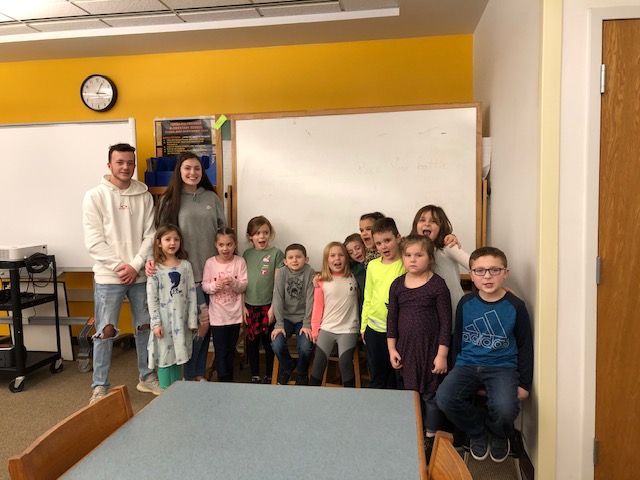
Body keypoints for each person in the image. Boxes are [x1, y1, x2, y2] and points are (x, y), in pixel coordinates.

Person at [436, 247, 533, 464]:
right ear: (471, 275)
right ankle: (478, 431)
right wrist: (454, 371)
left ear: (505, 273)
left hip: (502, 367)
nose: (487, 276)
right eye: (479, 271)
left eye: (493, 270)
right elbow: (458, 339)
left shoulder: (515, 306)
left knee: (506, 409)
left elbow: (525, 345)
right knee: (444, 398)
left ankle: (499, 435)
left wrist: (524, 384)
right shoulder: (465, 303)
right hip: (467, 365)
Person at [82, 143, 160, 403]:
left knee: (145, 327)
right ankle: (100, 385)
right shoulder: (94, 196)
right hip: (108, 278)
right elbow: (94, 242)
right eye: (120, 162)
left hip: (139, 276)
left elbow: (150, 236)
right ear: (109, 165)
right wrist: (120, 267)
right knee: (104, 332)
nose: (126, 167)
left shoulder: (144, 196)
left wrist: (135, 265)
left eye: (130, 162)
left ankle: (147, 377)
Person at [152, 151, 226, 382]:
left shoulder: (211, 198)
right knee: (192, 327)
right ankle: (189, 374)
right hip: (184, 276)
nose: (192, 173)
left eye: (197, 168)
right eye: (187, 168)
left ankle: (196, 373)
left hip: (213, 275)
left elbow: (223, 230)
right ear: (179, 171)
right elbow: (161, 236)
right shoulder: (169, 199)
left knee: (206, 327)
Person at [387, 235, 452, 454]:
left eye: (419, 255)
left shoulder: (437, 284)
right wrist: (392, 349)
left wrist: (441, 354)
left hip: (431, 349)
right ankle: (413, 431)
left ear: (430, 258)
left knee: (431, 395)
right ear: (402, 258)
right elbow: (392, 319)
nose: (412, 259)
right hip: (406, 350)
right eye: (408, 255)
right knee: (409, 393)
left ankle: (430, 437)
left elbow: (446, 322)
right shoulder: (397, 285)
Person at [147, 225, 198, 390]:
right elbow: (152, 298)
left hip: (181, 321)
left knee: (178, 356)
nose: (172, 243)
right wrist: (155, 323)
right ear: (159, 243)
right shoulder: (156, 268)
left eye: (176, 239)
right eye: (167, 239)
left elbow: (191, 294)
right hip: (164, 321)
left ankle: (176, 391)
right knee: (164, 357)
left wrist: (192, 320)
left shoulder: (186, 266)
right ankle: (163, 392)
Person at [360, 217, 405, 389]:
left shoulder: (406, 264)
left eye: (387, 240)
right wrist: (364, 327)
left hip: (398, 332)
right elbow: (368, 297)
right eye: (378, 243)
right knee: (377, 377)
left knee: (398, 377)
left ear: (398, 238)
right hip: (374, 331)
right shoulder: (372, 265)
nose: (383, 247)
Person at [309, 242, 360, 387]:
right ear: (327, 260)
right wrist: (315, 329)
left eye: (341, 255)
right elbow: (317, 307)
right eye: (332, 255)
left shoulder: (354, 276)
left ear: (346, 258)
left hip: (348, 330)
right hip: (327, 328)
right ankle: (312, 395)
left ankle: (349, 399)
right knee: (319, 361)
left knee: (345, 362)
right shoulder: (321, 281)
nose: (337, 258)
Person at [411, 205, 469, 331]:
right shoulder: (411, 252)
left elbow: (474, 265)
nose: (427, 224)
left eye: (433, 221)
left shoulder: (447, 247)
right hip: (427, 316)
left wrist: (497, 286)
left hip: (453, 313)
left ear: (441, 227)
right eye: (422, 220)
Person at [201, 227, 248, 382]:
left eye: (229, 244)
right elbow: (205, 286)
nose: (225, 248)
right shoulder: (210, 263)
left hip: (234, 315)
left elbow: (243, 286)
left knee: (230, 349)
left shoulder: (240, 261)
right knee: (220, 350)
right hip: (218, 316)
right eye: (221, 245)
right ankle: (223, 381)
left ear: (235, 245)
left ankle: (229, 379)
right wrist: (216, 286)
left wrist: (233, 282)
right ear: (216, 245)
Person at [243, 216, 284, 383]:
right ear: (250, 236)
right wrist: (242, 306)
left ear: (270, 234)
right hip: (250, 305)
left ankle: (269, 374)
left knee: (268, 343)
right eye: (257, 233)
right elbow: (242, 281)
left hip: (268, 306)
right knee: (252, 342)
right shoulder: (246, 254)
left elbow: (277, 284)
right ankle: (254, 374)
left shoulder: (276, 254)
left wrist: (274, 307)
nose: (262, 237)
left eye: (265, 233)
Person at [270, 243, 315, 385]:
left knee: (306, 346)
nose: (294, 260)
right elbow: (277, 298)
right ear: (285, 261)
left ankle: (302, 372)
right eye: (291, 257)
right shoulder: (282, 272)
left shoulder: (310, 272)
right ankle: (289, 366)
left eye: (298, 257)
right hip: (285, 319)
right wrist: (279, 324)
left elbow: (310, 300)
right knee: (276, 344)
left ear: (306, 259)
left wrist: (307, 324)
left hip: (303, 319)